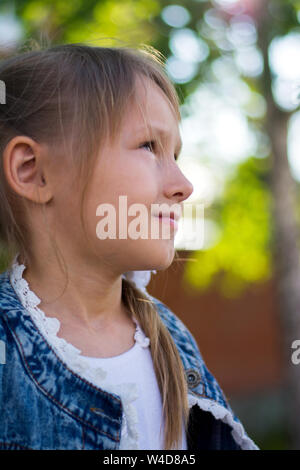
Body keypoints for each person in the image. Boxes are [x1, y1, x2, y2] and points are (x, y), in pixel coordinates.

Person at [0, 42, 258, 450]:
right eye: (149, 147)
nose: (184, 186)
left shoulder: (174, 341)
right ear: (33, 171)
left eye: (174, 154)